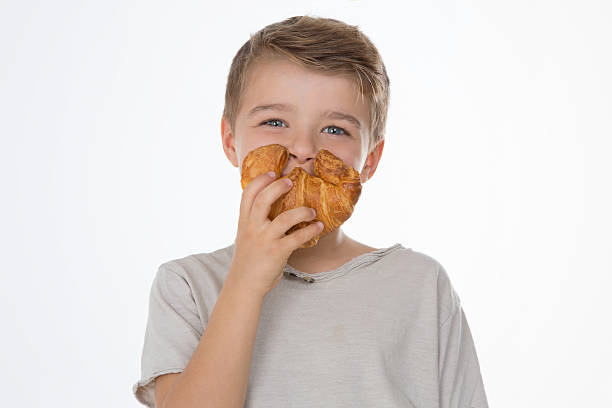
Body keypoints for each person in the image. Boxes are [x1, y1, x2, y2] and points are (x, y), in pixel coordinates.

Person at [133, 15, 489, 408]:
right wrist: (246, 283)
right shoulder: (188, 286)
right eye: (274, 121)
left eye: (335, 130)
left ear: (370, 159)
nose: (303, 147)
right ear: (231, 141)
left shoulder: (420, 286)